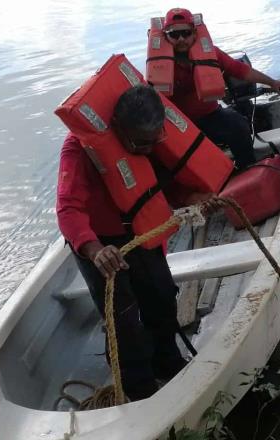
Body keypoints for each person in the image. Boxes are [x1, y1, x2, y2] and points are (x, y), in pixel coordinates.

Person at [56, 85, 213, 401]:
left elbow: (161, 182)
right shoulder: (79, 149)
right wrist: (94, 249)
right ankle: (138, 391)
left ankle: (167, 363)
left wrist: (193, 198)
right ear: (119, 130)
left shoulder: (151, 138)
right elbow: (68, 208)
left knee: (162, 294)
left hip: (141, 229)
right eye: (142, 143)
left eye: (156, 139)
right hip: (100, 244)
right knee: (123, 319)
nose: (151, 147)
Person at [159, 7, 280, 169]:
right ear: (166, 36)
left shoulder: (211, 53)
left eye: (186, 33)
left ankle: (246, 168)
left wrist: (273, 83)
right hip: (178, 122)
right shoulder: (159, 66)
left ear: (195, 33)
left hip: (211, 114)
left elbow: (241, 71)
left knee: (238, 124)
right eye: (174, 34)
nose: (181, 39)